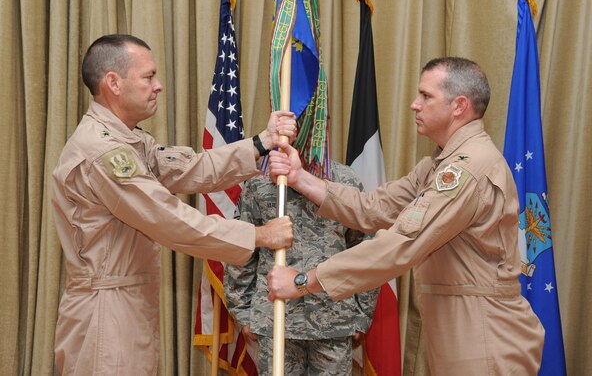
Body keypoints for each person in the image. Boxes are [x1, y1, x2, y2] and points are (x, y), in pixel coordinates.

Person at [266, 57, 545, 375]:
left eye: (426, 96)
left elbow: (402, 244)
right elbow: (372, 208)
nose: (415, 104)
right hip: (460, 329)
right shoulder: (439, 164)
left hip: (483, 334)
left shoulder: (468, 167)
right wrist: (301, 178)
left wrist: (303, 281)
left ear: (459, 106)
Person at [51, 34, 296, 375]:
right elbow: (169, 219)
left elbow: (191, 169)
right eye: (148, 77)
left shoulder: (130, 138)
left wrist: (261, 143)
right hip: (105, 313)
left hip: (128, 303)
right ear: (113, 83)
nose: (159, 86)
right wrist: (258, 236)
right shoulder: (103, 151)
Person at [224, 159, 379, 375]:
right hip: (276, 319)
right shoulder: (259, 183)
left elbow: (364, 249)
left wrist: (362, 313)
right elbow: (243, 248)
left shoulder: (345, 181)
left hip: (333, 319)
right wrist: (243, 312)